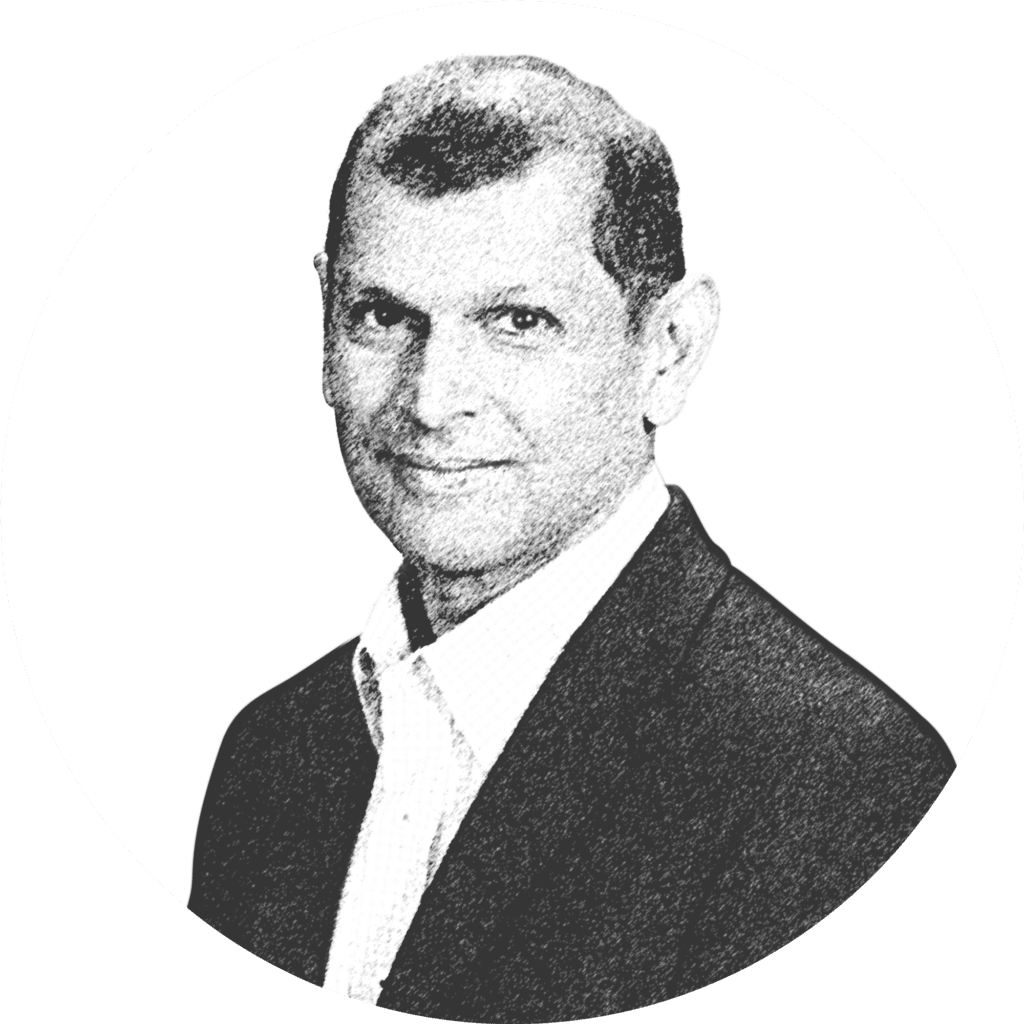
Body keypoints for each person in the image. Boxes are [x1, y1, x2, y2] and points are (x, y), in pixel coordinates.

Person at [189, 55, 953, 1023]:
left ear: (667, 351)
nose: (432, 400)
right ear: (324, 323)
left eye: (517, 321)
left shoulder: (841, 779)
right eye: (382, 315)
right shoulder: (274, 755)